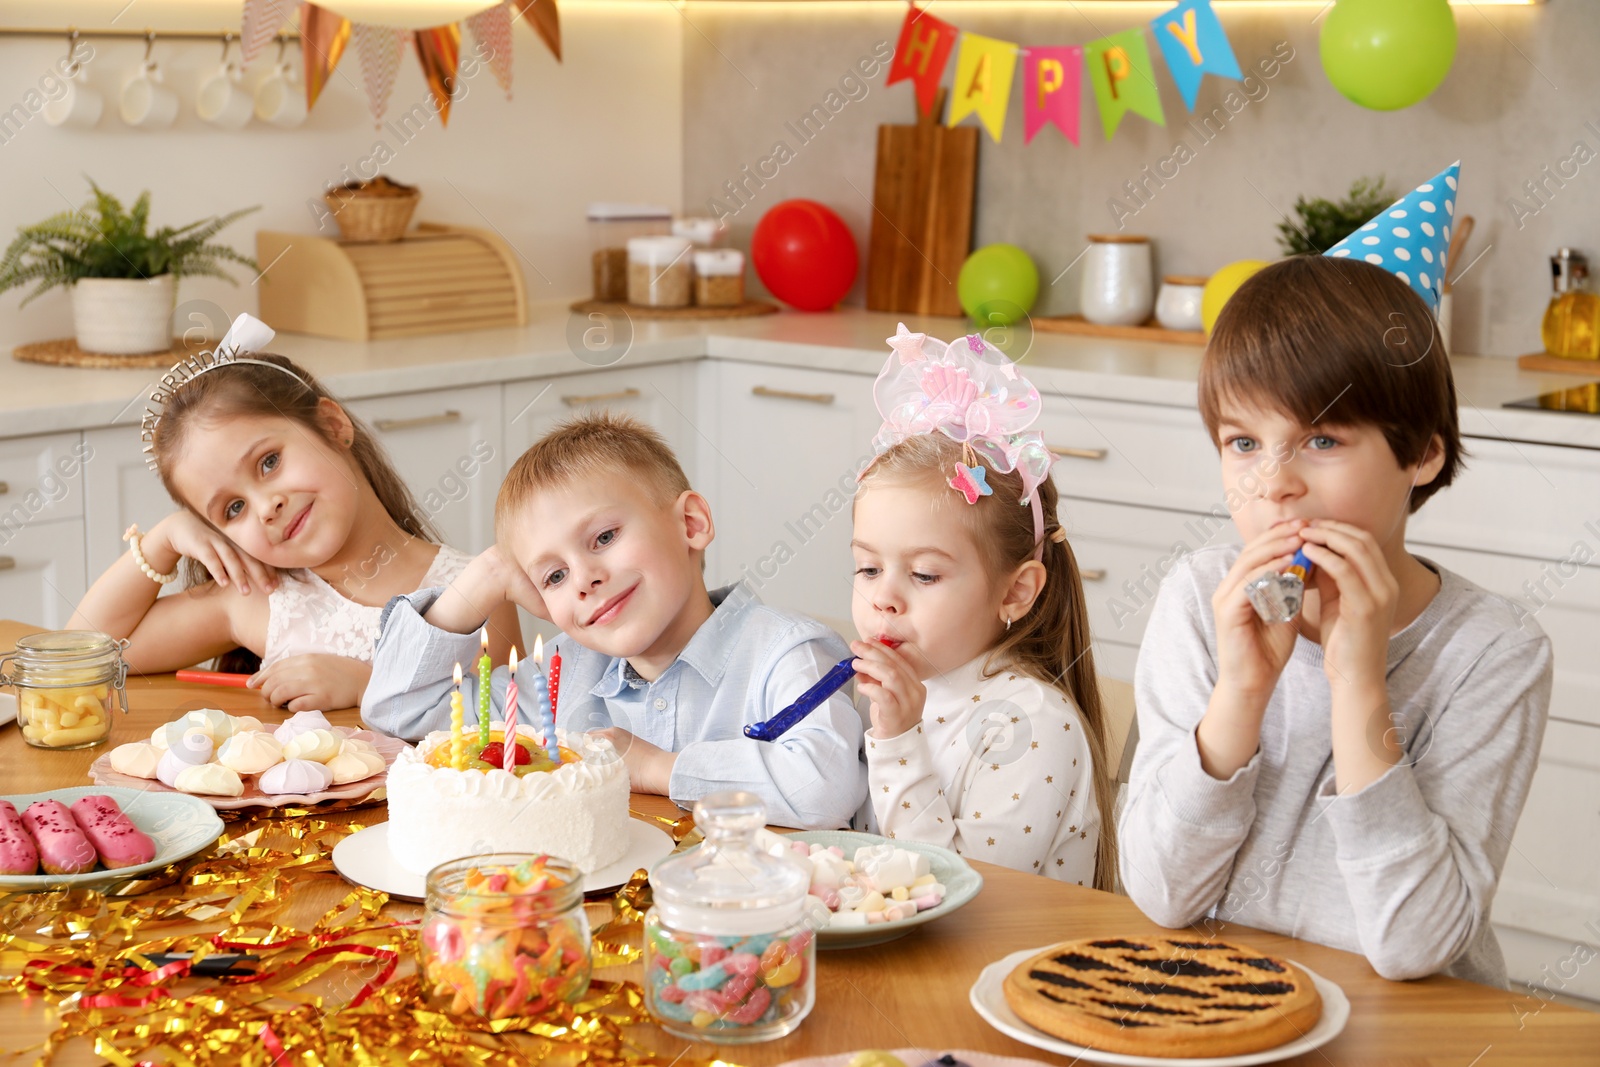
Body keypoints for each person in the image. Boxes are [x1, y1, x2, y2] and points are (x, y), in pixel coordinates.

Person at [1120, 251, 1553, 987]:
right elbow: (1162, 896)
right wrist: (1241, 695)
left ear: (1420, 453)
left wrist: (1358, 683)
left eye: (1322, 440)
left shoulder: (1494, 649)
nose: (1277, 483)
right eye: (1244, 443)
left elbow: (1416, 946)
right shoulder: (1200, 597)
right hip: (1220, 1005)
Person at [361, 411, 865, 829]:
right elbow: (400, 712)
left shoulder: (790, 655)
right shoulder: (565, 670)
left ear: (691, 524)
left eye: (603, 538)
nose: (584, 579)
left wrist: (658, 768)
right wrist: (486, 576)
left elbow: (826, 788)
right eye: (554, 576)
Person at [68, 314, 520, 712]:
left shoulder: (473, 590)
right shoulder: (258, 600)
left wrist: (369, 687)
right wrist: (161, 542)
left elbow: (512, 727)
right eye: (233, 508)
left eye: (269, 462)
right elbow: (82, 656)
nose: (267, 508)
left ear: (332, 425)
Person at [851, 325, 1117, 888]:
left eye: (923, 574)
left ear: (1015, 591)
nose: (883, 598)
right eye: (868, 568)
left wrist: (898, 742)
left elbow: (965, 901)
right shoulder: (894, 689)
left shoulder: (1029, 723)